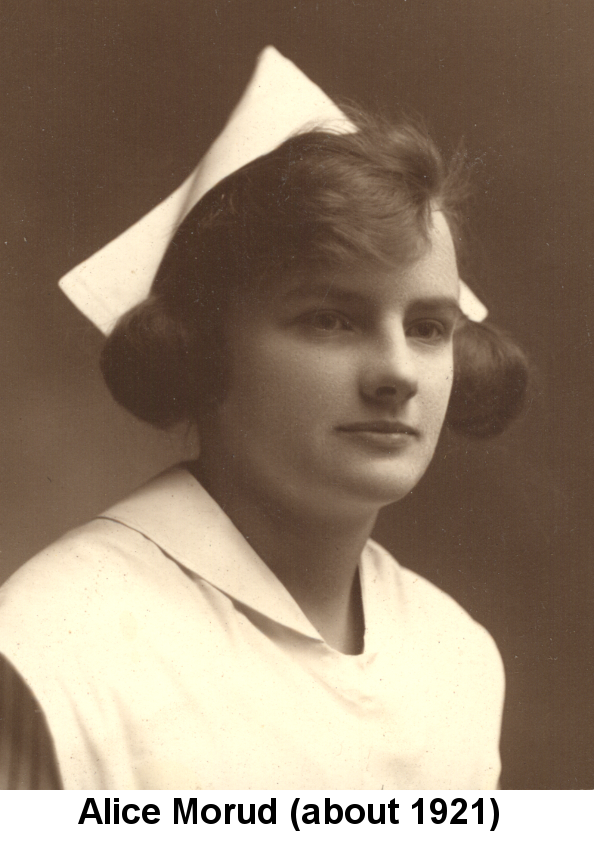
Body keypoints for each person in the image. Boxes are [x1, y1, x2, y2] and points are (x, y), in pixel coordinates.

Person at [0, 48, 527, 789]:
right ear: (205, 347)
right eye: (331, 320)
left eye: (430, 327)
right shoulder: (54, 642)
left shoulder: (454, 655)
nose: (397, 373)